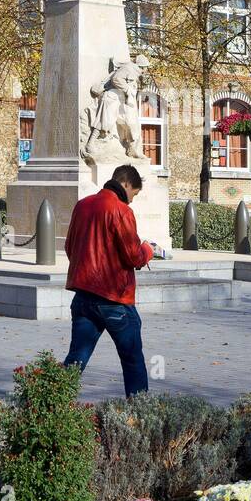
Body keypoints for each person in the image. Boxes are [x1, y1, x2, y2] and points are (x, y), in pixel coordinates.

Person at [62, 164, 167, 397]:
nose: (132, 201)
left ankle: (50, 408)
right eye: (134, 194)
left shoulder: (83, 205)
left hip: (83, 295)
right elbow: (133, 256)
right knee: (132, 360)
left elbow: (70, 247)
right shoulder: (120, 210)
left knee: (76, 360)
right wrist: (148, 250)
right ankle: (139, 415)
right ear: (126, 184)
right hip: (114, 298)